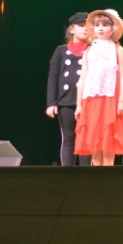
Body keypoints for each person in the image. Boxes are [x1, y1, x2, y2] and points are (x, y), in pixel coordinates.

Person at [74, 9, 123, 166]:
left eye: (105, 25)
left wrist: (121, 101)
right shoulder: (88, 51)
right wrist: (79, 105)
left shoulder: (118, 50)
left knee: (108, 141)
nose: (100, 28)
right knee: (95, 143)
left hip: (110, 100)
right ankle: (96, 177)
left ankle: (108, 177)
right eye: (97, 25)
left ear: (113, 28)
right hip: (91, 100)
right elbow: (83, 78)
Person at [45, 11, 90, 165]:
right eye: (81, 25)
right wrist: (51, 103)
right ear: (71, 29)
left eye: (87, 26)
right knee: (68, 138)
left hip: (87, 101)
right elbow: (53, 78)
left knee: (85, 138)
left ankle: (87, 175)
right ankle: (67, 174)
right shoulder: (61, 51)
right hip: (65, 100)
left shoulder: (92, 50)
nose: (85, 28)